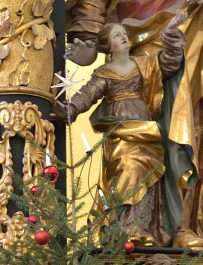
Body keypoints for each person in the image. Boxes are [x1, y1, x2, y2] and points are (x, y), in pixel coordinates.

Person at [66, 0, 203, 246]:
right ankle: (140, 230)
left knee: (188, 132)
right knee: (139, 141)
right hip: (138, 52)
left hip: (192, 46)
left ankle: (187, 225)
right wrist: (87, 40)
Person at [55, 18, 186, 243]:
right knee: (128, 168)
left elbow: (170, 62)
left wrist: (172, 31)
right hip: (119, 132)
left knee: (148, 172)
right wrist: (69, 109)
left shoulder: (144, 64)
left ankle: (146, 229)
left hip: (144, 129)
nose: (124, 37)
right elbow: (86, 95)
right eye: (117, 35)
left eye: (124, 33)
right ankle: (126, 229)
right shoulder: (104, 73)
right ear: (108, 45)